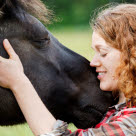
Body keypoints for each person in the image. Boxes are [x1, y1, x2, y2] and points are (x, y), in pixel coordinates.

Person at [0, 3, 136, 136]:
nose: (93, 62)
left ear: (132, 53)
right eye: (95, 52)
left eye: (103, 53)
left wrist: (18, 82)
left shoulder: (132, 122)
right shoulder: (119, 110)